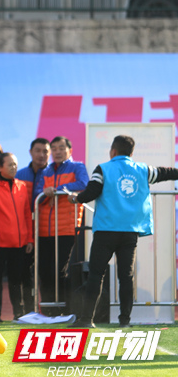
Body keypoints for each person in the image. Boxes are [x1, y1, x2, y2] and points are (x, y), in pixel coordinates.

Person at [68, 135, 178, 328]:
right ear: (132, 153)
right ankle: (124, 321)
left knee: (96, 275)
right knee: (126, 277)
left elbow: (90, 193)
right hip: (129, 232)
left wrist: (76, 199)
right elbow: (166, 172)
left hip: (106, 231)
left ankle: (86, 320)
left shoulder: (103, 169)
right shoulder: (143, 170)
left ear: (113, 151)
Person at [34, 136, 88, 316]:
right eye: (54, 148)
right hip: (44, 229)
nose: (57, 151)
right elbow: (37, 192)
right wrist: (46, 193)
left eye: (61, 148)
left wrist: (57, 190)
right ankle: (48, 311)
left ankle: (64, 309)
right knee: (44, 272)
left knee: (59, 270)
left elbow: (83, 184)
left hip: (65, 229)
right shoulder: (46, 171)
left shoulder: (77, 167)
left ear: (70, 151)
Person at [0, 153, 34, 322]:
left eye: (15, 164)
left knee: (16, 280)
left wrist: (29, 239)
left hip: (19, 243)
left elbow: (27, 214)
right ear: (0, 167)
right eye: (10, 165)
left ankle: (19, 314)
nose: (14, 168)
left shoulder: (22, 186)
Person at [15, 138, 51, 315]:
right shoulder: (20, 175)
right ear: (30, 152)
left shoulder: (53, 174)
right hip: (25, 232)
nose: (42, 155)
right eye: (38, 150)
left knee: (46, 271)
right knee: (25, 273)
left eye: (45, 151)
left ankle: (47, 311)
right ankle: (28, 311)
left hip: (47, 230)